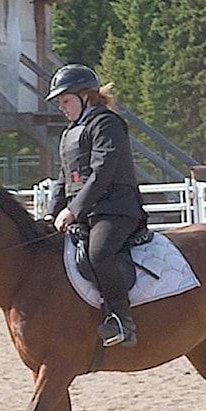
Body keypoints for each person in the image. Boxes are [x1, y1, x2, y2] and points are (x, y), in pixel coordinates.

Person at [42, 64, 148, 347]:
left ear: (85, 96)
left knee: (99, 253)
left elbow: (103, 173)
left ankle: (122, 321)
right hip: (87, 213)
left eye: (65, 100)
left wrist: (73, 209)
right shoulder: (69, 134)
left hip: (116, 209)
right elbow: (63, 179)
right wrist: (50, 214)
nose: (62, 108)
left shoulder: (106, 123)